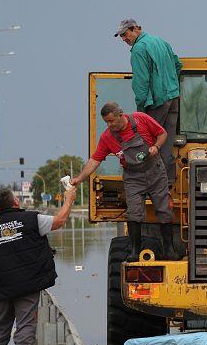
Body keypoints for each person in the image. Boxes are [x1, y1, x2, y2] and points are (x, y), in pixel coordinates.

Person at [0, 186, 76, 345]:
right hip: (27, 282)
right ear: (15, 202)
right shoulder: (33, 219)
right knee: (26, 322)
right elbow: (60, 221)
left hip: (1, 283)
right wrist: (69, 199)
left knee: (0, 321)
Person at [70, 101, 176, 260]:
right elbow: (94, 160)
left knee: (164, 210)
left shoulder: (140, 119)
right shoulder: (107, 137)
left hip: (155, 172)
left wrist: (156, 146)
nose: (109, 124)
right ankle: (134, 251)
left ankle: (169, 251)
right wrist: (79, 178)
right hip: (133, 177)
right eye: (106, 122)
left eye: (111, 121)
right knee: (134, 213)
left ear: (121, 115)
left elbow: (163, 134)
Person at [114, 18, 182, 184]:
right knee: (166, 142)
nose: (123, 39)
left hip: (156, 102)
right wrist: (170, 83)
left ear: (134, 29)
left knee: (147, 142)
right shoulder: (161, 41)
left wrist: (140, 111)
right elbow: (177, 64)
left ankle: (149, 184)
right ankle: (168, 183)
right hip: (173, 99)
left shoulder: (139, 49)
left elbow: (141, 82)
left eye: (125, 34)